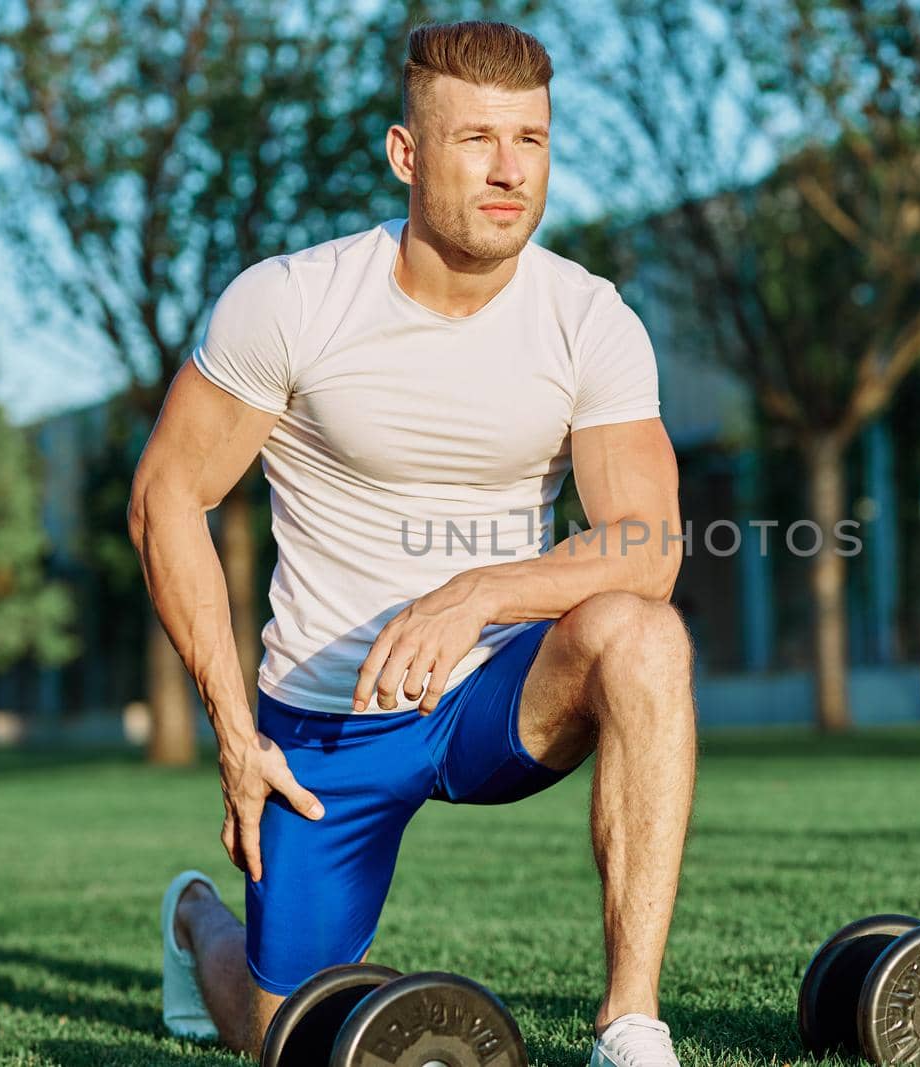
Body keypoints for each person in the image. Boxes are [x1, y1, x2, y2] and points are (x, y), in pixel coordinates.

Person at [127, 18, 696, 1067]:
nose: (507, 169)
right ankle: (199, 922)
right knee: (285, 1037)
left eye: (530, 140)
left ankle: (628, 1024)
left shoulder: (589, 319)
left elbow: (648, 543)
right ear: (405, 153)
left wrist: (477, 591)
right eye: (476, 138)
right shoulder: (292, 301)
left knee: (644, 634)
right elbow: (167, 496)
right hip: (328, 714)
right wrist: (231, 723)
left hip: (495, 692)